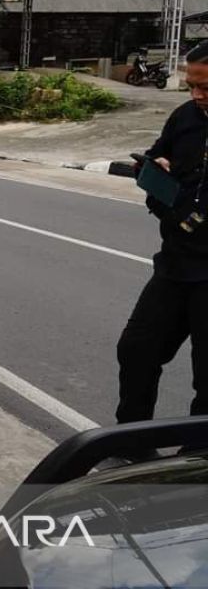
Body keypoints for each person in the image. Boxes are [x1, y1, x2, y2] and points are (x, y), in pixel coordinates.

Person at [116, 41, 208, 437]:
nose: (197, 95)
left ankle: (196, 459)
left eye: (205, 88)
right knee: (136, 350)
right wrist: (155, 170)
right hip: (174, 264)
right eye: (191, 86)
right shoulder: (185, 117)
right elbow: (156, 157)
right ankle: (132, 442)